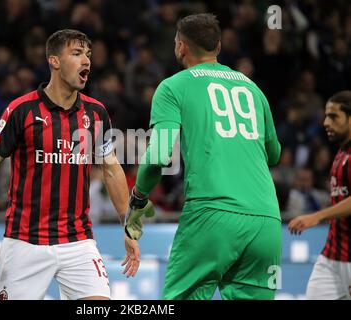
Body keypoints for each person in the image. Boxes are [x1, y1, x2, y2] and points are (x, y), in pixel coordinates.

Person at [0, 29, 140, 300]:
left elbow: (111, 169)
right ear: (54, 61)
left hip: (78, 241)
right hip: (25, 241)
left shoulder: (96, 113)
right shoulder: (22, 110)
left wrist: (129, 227)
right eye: (76, 54)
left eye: (88, 54)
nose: (86, 60)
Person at [125, 13, 282, 300]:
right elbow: (275, 153)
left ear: (181, 47)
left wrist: (138, 197)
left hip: (212, 214)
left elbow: (159, 154)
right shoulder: (253, 88)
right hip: (266, 220)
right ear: (218, 47)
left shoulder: (173, 87)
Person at [289, 91, 351, 300]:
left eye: (334, 116)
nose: (326, 122)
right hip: (332, 257)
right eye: (326, 115)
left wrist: (315, 216)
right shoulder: (341, 152)